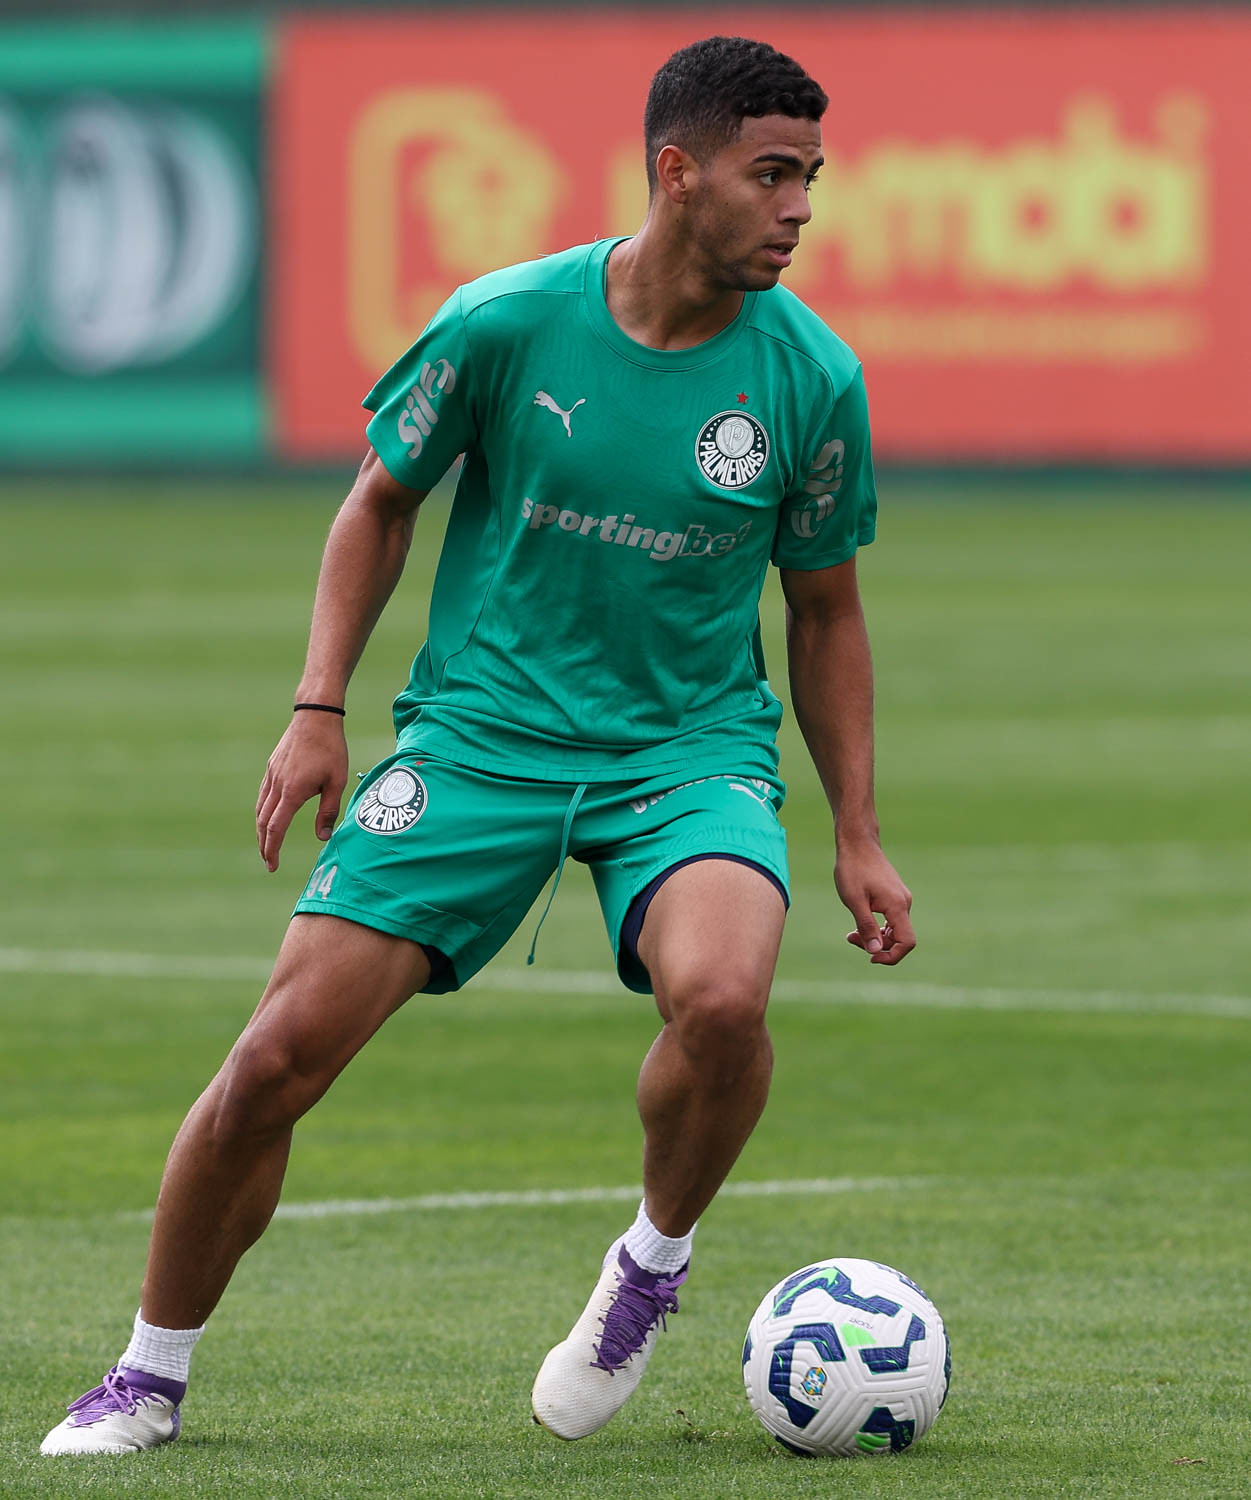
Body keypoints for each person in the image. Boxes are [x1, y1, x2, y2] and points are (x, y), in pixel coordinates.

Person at [41, 34, 915, 1456]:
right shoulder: (510, 323)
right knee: (275, 1060)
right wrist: (320, 706)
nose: (802, 206)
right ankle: (147, 1373)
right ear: (676, 173)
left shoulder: (813, 379)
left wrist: (860, 829)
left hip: (686, 752)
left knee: (725, 999)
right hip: (481, 738)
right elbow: (379, 503)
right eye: (773, 174)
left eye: (812, 176)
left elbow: (827, 612)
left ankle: (650, 1268)